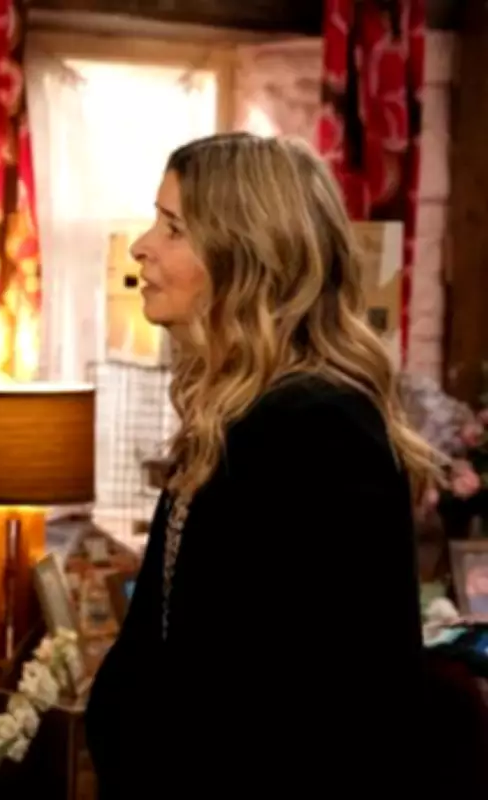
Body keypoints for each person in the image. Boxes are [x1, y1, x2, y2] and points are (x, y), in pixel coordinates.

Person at [85, 133, 439, 797]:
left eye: (173, 228)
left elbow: (317, 707)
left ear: (245, 257)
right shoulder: (236, 413)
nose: (141, 247)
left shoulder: (319, 428)